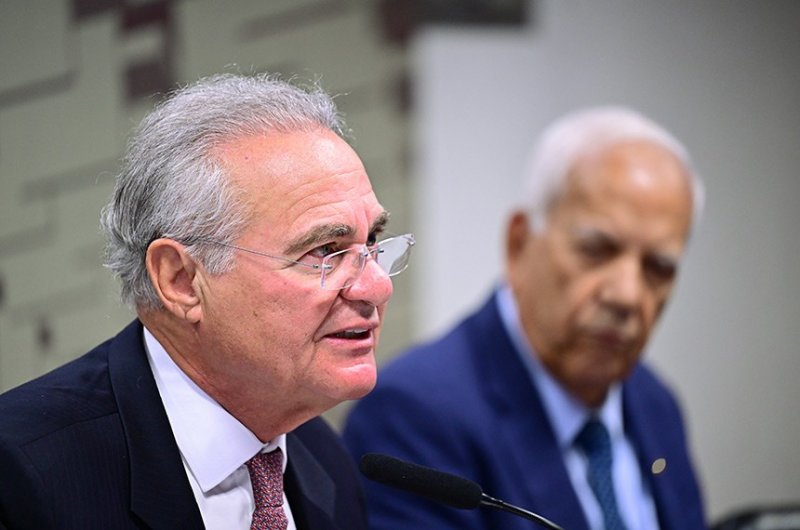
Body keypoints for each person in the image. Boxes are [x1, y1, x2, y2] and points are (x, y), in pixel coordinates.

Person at [0, 73, 414, 529]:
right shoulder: (23, 477)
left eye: (371, 241)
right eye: (324, 251)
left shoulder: (324, 460)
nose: (376, 287)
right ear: (180, 280)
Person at [343, 106, 707, 530]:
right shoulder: (414, 416)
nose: (627, 295)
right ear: (519, 243)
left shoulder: (653, 402)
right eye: (596, 250)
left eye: (659, 268)